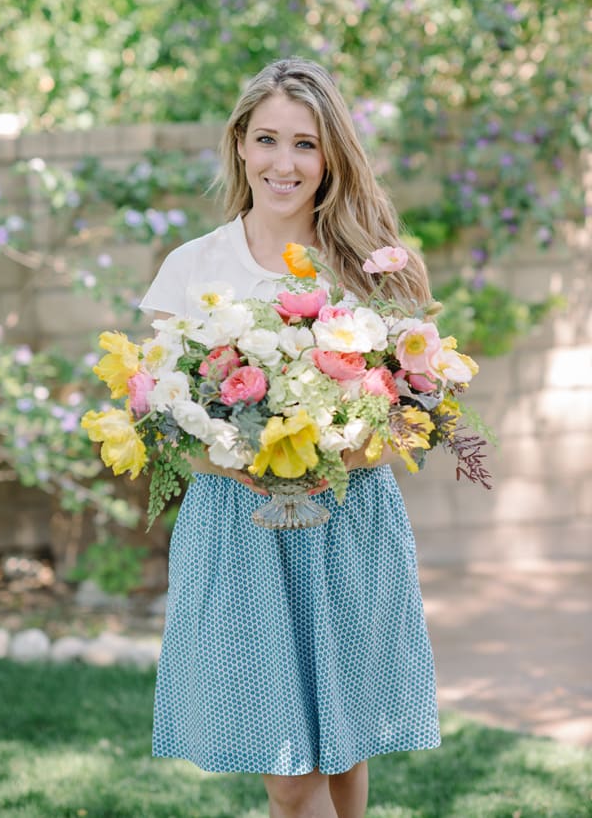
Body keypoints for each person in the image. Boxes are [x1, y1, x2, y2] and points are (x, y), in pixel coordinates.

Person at [139, 57, 440, 818]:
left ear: (331, 154)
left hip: (348, 522)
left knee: (343, 756)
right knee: (290, 775)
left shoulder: (369, 264)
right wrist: (245, 464)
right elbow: (161, 422)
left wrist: (345, 446)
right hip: (238, 531)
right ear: (240, 143)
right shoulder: (192, 268)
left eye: (305, 144)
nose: (285, 162)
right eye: (267, 139)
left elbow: (416, 411)